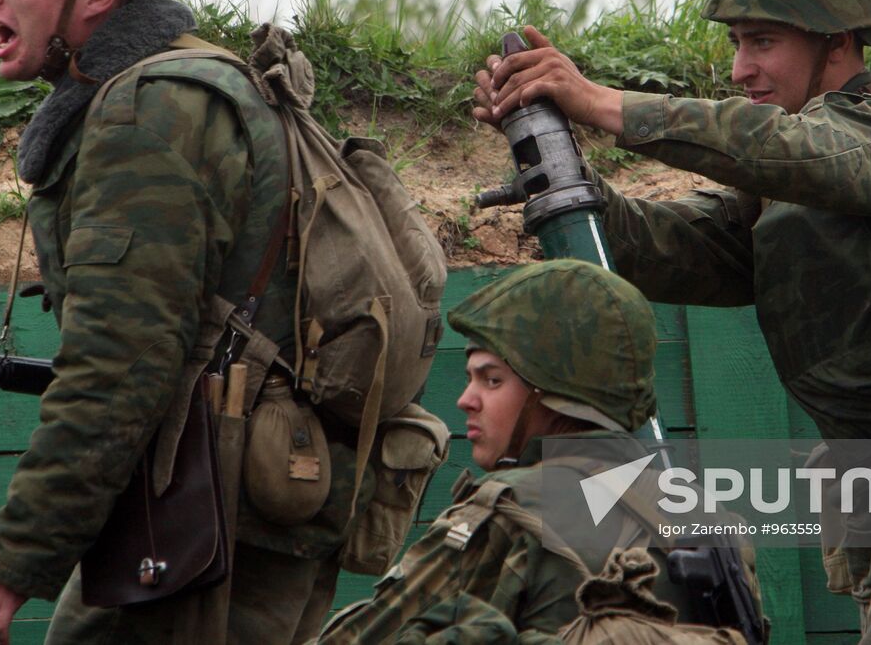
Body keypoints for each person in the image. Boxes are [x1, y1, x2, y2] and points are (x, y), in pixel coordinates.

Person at [473, 0, 871, 642]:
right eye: (738, 43)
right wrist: (558, 176)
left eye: (764, 42)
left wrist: (604, 105)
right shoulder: (787, 179)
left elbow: (796, 151)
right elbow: (682, 246)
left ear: (839, 41)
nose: (742, 68)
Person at [0, 0, 371, 645]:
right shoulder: (193, 82)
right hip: (236, 508)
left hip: (204, 522)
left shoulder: (148, 114)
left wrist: (19, 560)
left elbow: (120, 363)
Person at [314, 259, 761, 643]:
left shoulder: (507, 509)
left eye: (492, 380)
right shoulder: (714, 523)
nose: (466, 399)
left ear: (552, 394)